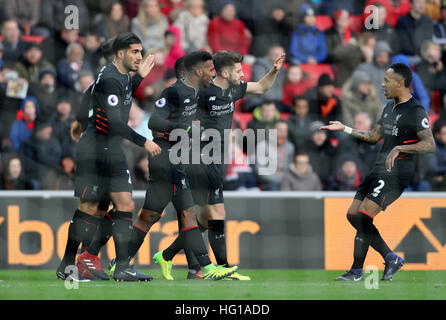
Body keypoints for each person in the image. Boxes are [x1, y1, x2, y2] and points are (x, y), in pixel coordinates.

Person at [153, 49, 285, 280]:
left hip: (215, 159)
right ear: (224, 72)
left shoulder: (235, 89)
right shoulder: (203, 91)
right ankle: (223, 267)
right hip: (198, 157)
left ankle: (166, 255)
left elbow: (262, 87)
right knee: (217, 213)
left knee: (205, 219)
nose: (242, 73)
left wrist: (273, 71)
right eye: (237, 70)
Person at [121, 51, 238, 281]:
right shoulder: (175, 91)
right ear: (197, 70)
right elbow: (154, 122)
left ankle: (121, 262)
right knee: (188, 213)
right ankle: (204, 267)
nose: (213, 73)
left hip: (179, 157)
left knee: (149, 215)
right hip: (166, 157)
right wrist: (184, 128)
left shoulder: (200, 94)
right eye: (209, 68)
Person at [56, 32, 162, 282]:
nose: (140, 56)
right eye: (135, 52)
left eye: (140, 51)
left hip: (110, 149)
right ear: (121, 53)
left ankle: (118, 265)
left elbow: (89, 95)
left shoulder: (116, 75)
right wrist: (144, 141)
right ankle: (69, 263)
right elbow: (114, 122)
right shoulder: (111, 78)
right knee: (91, 207)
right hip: (96, 150)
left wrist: (80, 121)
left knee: (121, 205)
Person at [321, 63, 436, 281]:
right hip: (378, 169)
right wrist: (344, 128)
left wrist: (401, 147)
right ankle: (390, 257)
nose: (381, 84)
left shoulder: (415, 111)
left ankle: (356, 271)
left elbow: (429, 145)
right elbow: (374, 137)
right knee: (353, 215)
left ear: (400, 83)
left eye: (386, 81)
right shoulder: (388, 108)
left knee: (364, 215)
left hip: (396, 172)